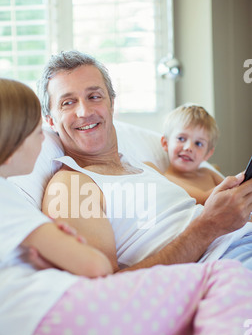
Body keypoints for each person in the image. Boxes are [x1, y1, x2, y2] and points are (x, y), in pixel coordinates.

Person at [0, 77, 252, 335]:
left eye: (94, 96)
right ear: (9, 136)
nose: (42, 142)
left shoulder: (151, 168)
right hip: (60, 325)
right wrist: (63, 245)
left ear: (112, 103)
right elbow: (96, 269)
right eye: (37, 131)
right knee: (228, 276)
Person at [38, 50, 252, 273]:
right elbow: (104, 288)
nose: (84, 111)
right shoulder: (70, 185)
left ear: (112, 104)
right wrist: (209, 226)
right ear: (50, 120)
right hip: (226, 263)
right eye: (68, 102)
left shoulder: (144, 167)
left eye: (94, 97)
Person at [147, 104, 224, 205]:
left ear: (207, 154)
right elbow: (204, 199)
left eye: (198, 143)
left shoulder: (209, 173)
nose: (189, 147)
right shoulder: (168, 179)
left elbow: (235, 191)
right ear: (166, 143)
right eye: (181, 139)